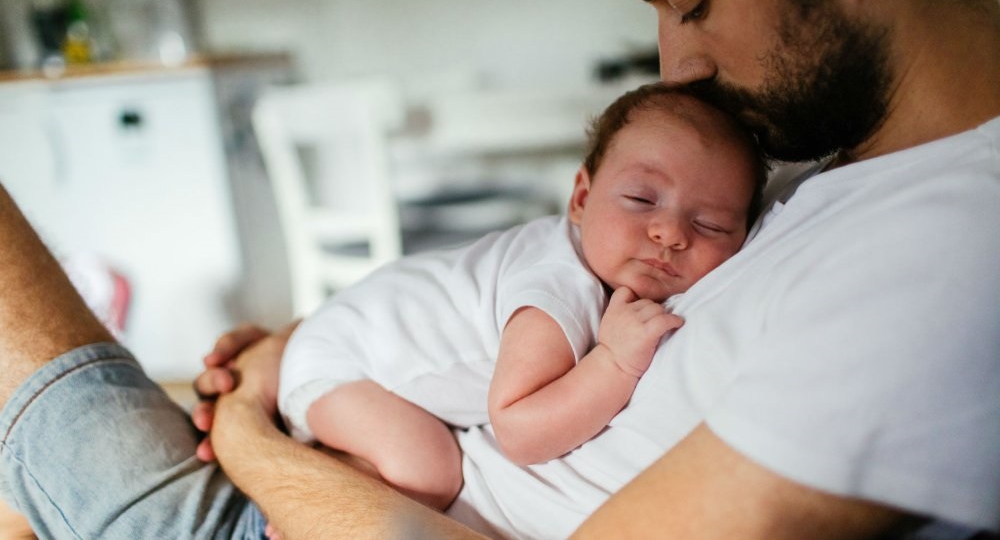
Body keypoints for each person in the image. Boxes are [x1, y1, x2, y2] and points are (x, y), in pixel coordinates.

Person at [1, 0, 998, 538]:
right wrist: (307, 350)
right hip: (363, 466)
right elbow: (507, 287)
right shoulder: (815, 167)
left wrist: (251, 434)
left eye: (690, 2)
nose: (677, 65)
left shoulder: (948, 246)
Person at [274, 82, 766, 512]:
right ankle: (309, 487)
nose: (670, 233)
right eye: (641, 199)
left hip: (351, 332)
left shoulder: (594, 263)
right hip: (339, 363)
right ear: (580, 200)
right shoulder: (557, 288)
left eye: (711, 224)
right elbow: (519, 432)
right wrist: (615, 362)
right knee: (430, 472)